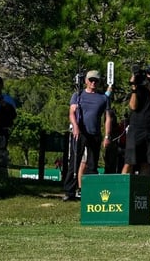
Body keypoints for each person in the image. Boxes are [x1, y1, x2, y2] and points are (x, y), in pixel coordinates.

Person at [65, 69, 112, 201]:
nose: (93, 83)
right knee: (75, 162)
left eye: (96, 80)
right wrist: (75, 127)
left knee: (92, 164)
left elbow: (108, 118)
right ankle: (70, 192)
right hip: (80, 133)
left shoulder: (103, 98)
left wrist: (107, 136)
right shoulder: (78, 95)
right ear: (86, 81)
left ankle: (90, 191)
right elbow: (72, 112)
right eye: (91, 80)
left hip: (94, 134)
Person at [122, 64, 150, 176]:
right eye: (148, 74)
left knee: (146, 162)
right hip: (136, 128)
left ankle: (143, 189)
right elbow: (133, 107)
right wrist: (134, 88)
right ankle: (123, 187)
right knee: (129, 161)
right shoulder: (138, 90)